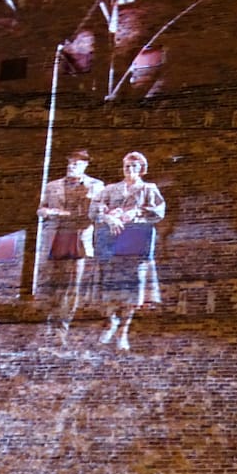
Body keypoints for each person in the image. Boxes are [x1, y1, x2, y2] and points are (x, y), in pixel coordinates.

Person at [92, 150, 165, 351]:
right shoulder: (110, 189)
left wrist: (138, 211)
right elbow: (95, 208)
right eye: (127, 166)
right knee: (110, 283)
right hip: (112, 240)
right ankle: (111, 320)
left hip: (136, 239)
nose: (130, 170)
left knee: (133, 288)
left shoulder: (149, 189)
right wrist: (108, 216)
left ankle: (123, 331)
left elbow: (159, 211)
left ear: (141, 169)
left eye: (135, 166)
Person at [36, 149, 104, 343]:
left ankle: (62, 327)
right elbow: (41, 210)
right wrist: (55, 212)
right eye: (71, 162)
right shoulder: (52, 186)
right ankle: (48, 322)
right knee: (52, 282)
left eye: (78, 163)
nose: (72, 165)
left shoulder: (96, 185)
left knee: (72, 285)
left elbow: (98, 213)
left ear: (85, 165)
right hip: (56, 237)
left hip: (79, 238)